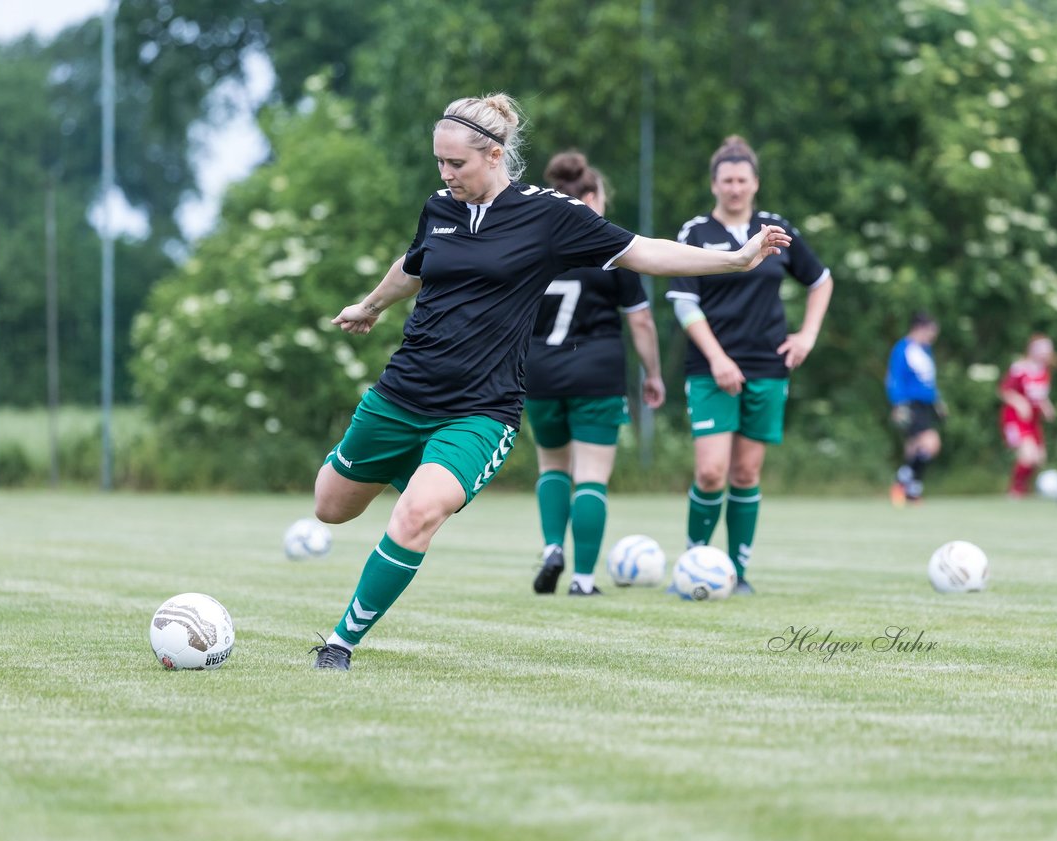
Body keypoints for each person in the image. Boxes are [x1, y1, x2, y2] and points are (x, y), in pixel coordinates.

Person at [311, 96, 792, 669]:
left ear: (494, 156)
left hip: (480, 409)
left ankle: (341, 642)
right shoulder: (440, 207)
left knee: (416, 516)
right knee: (330, 508)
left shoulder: (549, 215)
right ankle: (411, 471)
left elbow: (645, 252)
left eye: (455, 164)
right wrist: (370, 306)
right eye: (438, 162)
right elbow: (414, 265)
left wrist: (736, 261)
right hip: (401, 393)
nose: (444, 174)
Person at [665, 135, 832, 596]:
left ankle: (738, 572)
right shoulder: (695, 232)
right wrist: (718, 358)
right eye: (727, 180)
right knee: (711, 472)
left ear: (755, 183)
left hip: (767, 366)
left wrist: (807, 336)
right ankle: (693, 562)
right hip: (710, 369)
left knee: (745, 474)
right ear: (714, 184)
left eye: (742, 180)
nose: (735, 188)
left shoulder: (775, 229)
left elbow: (821, 280)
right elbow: (682, 301)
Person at [526, 151, 666, 597]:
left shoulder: (533, 243)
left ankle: (552, 548)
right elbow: (641, 321)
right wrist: (653, 373)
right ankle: (583, 580)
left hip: (539, 373)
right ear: (589, 197)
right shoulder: (611, 247)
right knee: (590, 476)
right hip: (596, 374)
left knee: (552, 465)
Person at [885, 311, 944, 505]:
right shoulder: (903, 349)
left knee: (914, 449)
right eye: (931, 331)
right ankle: (902, 481)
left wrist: (938, 401)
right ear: (919, 328)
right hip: (910, 404)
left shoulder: (925, 350)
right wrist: (898, 404)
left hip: (926, 404)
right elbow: (895, 378)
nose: (933, 336)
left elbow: (928, 380)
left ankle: (910, 490)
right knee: (931, 443)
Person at [999, 333, 1056, 498]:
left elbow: (1040, 396)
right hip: (1015, 419)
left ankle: (1023, 489)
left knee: (1039, 458)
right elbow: (1005, 390)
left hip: (1033, 422)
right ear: (1032, 350)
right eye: (1042, 348)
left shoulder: (1044, 372)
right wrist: (1020, 402)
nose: (1046, 352)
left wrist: (1047, 407)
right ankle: (1015, 490)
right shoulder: (1020, 368)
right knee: (1028, 454)